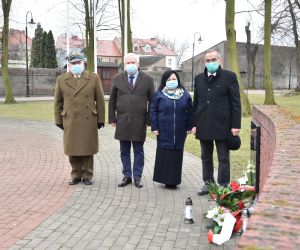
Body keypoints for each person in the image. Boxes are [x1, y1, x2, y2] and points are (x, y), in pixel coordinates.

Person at [191, 48, 241, 195]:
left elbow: (235, 103)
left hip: (223, 124)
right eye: (208, 60)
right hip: (204, 123)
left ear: (219, 60)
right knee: (205, 156)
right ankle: (208, 183)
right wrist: (193, 123)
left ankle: (223, 185)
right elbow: (196, 102)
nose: (211, 62)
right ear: (204, 62)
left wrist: (235, 125)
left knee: (223, 157)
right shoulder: (199, 78)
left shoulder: (229, 77)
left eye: (213, 60)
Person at [54, 52, 105, 185]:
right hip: (70, 119)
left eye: (79, 63)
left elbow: (100, 100)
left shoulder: (93, 78)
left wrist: (101, 119)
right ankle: (75, 174)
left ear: (83, 64)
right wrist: (58, 120)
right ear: (69, 65)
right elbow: (58, 102)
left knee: (87, 148)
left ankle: (87, 175)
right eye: (73, 63)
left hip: (88, 119)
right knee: (72, 148)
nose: (76, 65)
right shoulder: (61, 79)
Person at [109, 53, 155, 188]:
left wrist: (149, 120)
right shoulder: (117, 79)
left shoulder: (148, 80)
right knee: (124, 150)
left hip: (139, 121)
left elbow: (152, 101)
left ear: (138, 64)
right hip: (122, 120)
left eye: (132, 62)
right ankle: (127, 176)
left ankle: (137, 177)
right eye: (128, 63)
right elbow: (112, 100)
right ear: (124, 64)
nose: (130, 65)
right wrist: (112, 118)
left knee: (138, 150)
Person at [150, 70, 192, 189]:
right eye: (169, 80)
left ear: (178, 80)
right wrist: (154, 127)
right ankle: (164, 179)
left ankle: (174, 180)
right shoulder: (159, 94)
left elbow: (190, 111)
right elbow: (153, 111)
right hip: (163, 129)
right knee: (165, 154)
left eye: (174, 79)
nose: (172, 81)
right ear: (164, 81)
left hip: (179, 130)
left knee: (176, 155)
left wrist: (189, 126)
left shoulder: (185, 95)